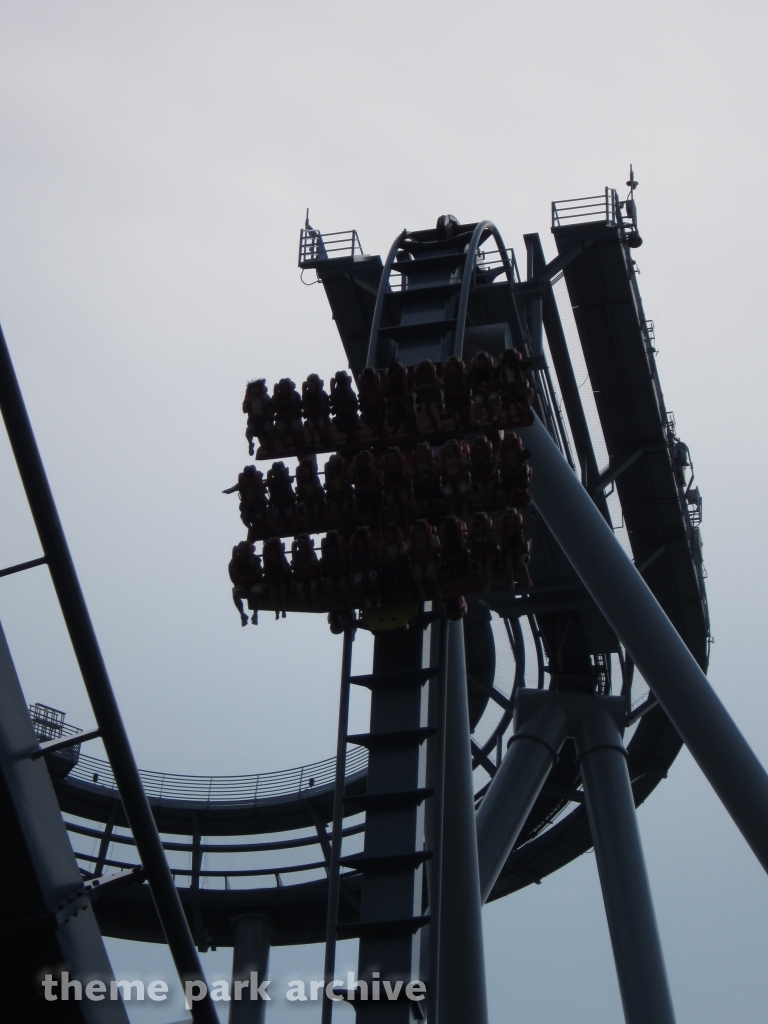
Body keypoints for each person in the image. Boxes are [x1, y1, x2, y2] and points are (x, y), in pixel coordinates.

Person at [223, 465, 268, 536]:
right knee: (244, 517)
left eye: (249, 477)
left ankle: (264, 529)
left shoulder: (257, 483)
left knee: (259, 516)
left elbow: (265, 490)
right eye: (246, 477)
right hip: (247, 507)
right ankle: (251, 528)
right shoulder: (241, 484)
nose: (247, 480)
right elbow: (233, 489)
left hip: (259, 506)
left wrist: (262, 490)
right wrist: (228, 491)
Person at [496, 507, 533, 590]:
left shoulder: (518, 527)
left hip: (521, 549)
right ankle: (511, 580)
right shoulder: (504, 529)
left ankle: (528, 578)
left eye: (511, 520)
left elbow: (526, 525)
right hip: (509, 550)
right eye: (507, 520)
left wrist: (531, 521)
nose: (510, 522)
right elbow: (495, 530)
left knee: (521, 561)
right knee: (508, 562)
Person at [228, 541, 263, 626]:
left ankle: (255, 614)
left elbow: (260, 573)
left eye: (243, 550)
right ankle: (243, 615)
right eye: (239, 550)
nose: (241, 552)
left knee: (256, 593)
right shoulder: (233, 562)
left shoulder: (254, 559)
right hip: (241, 585)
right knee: (235, 595)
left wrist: (255, 565)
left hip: (254, 583)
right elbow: (232, 576)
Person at [409, 519, 442, 598]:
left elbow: (439, 550)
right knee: (417, 574)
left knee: (430, 573)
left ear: (425, 531)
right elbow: (409, 552)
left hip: (430, 559)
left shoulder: (432, 538)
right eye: (417, 531)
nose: (418, 533)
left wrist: (432, 547)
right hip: (418, 561)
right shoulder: (412, 540)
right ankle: (421, 589)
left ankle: (437, 587)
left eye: (421, 531)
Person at [498, 431, 532, 505]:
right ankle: (508, 499)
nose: (507, 443)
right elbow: (498, 460)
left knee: (523, 486)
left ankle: (527, 495)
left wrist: (523, 458)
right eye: (506, 440)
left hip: (519, 472)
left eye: (509, 441)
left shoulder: (520, 449)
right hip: (508, 473)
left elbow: (525, 459)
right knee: (508, 488)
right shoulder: (502, 451)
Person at [262, 536, 292, 619]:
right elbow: (265, 571)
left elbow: (287, 568)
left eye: (273, 551)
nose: (272, 553)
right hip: (272, 581)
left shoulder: (281, 558)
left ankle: (283, 609)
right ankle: (276, 611)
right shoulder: (267, 560)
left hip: (282, 580)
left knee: (283, 588)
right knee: (271, 590)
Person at [440, 438, 471, 516]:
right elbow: (439, 469)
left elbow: (468, 466)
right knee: (447, 494)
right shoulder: (443, 458)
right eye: (446, 448)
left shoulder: (461, 456)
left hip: (461, 479)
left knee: (464, 493)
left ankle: (465, 506)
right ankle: (452, 508)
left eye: (449, 448)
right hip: (449, 481)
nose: (447, 450)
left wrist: (463, 465)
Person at [242, 379, 274, 456]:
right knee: (249, 431)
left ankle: (274, 441)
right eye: (252, 389)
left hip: (265, 419)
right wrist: (245, 403)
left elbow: (272, 407)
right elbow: (244, 411)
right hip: (254, 421)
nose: (254, 391)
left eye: (255, 389)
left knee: (269, 428)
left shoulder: (264, 396)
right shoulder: (249, 399)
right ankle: (250, 443)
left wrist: (267, 401)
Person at [378, 522, 408, 602]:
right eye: (386, 535)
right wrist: (379, 549)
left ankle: (404, 591)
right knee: (384, 577)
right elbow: (379, 556)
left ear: (394, 536)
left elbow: (406, 549)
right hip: (388, 564)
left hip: (399, 563)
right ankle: (386, 594)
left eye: (390, 535)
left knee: (405, 573)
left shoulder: (400, 543)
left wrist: (404, 552)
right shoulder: (383, 545)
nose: (388, 538)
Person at [349, 526, 379, 606]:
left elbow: (377, 559)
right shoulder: (354, 550)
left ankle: (378, 593)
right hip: (359, 570)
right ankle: (366, 596)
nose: (360, 543)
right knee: (357, 581)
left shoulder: (372, 547)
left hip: (371, 568)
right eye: (358, 541)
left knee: (373, 577)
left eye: (362, 540)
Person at [352, 449, 383, 525]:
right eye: (360, 460)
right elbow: (350, 480)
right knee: (360, 505)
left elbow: (381, 473)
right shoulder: (355, 468)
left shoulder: (372, 464)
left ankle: (380, 525)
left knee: (376, 504)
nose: (362, 462)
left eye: (363, 460)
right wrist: (350, 470)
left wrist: (372, 467)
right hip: (361, 493)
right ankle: (365, 526)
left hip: (374, 491)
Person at [384, 360, 416, 435]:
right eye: (393, 370)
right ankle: (396, 425)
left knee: (409, 412)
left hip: (405, 400)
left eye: (397, 369)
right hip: (393, 401)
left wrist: (410, 390)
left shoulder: (406, 377)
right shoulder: (389, 380)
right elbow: (385, 389)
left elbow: (413, 385)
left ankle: (413, 425)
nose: (395, 371)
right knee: (390, 415)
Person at [468, 511, 497, 593]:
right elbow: (470, 545)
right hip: (478, 555)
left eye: (481, 524)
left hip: (489, 554)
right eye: (477, 525)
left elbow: (493, 545)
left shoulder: (489, 533)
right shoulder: (474, 534)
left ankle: (488, 585)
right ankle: (484, 586)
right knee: (480, 565)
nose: (479, 527)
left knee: (488, 564)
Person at [440, 356, 472, 429]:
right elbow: (442, 384)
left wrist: (466, 383)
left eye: (452, 364)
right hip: (451, 395)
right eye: (448, 364)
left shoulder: (463, 373)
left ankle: (467, 422)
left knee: (465, 406)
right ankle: (456, 421)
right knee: (449, 407)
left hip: (462, 394)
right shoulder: (445, 375)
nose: (449, 366)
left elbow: (469, 383)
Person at [470, 350, 499, 427]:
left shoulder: (493, 370)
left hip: (491, 391)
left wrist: (489, 385)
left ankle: (494, 418)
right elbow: (469, 383)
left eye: (481, 364)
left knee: (492, 399)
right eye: (478, 364)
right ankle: (477, 422)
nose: (479, 366)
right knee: (478, 401)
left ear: (486, 363)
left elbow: (499, 380)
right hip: (479, 392)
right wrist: (479, 388)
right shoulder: (473, 371)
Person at [272, 377, 304, 446]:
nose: (282, 388)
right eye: (281, 386)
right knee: (280, 428)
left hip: (294, 416)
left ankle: (300, 442)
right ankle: (283, 443)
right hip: (281, 418)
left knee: (296, 426)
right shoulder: (276, 396)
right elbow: (272, 409)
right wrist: (274, 403)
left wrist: (294, 401)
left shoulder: (295, 394)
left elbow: (300, 406)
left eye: (284, 386)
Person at [291, 533, 320, 609]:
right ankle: (306, 604)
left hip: (312, 576)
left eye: (302, 543)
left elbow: (317, 565)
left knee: (313, 586)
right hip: (301, 577)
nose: (301, 545)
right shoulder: (296, 554)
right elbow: (294, 568)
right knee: (299, 587)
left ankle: (314, 603)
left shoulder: (311, 553)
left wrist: (314, 561)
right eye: (299, 543)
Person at [382, 446, 411, 523]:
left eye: (393, 457)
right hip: (392, 489)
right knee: (389, 500)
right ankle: (395, 519)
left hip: (402, 488)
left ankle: (407, 517)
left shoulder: (402, 467)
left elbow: (408, 480)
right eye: (390, 457)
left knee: (404, 498)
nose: (391, 459)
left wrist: (406, 475)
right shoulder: (386, 468)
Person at [411, 441, 440, 518]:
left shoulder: (432, 462)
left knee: (434, 497)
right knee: (419, 497)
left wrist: (435, 470)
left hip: (431, 485)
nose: (420, 454)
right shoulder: (415, 464)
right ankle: (423, 512)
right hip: (421, 485)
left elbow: (439, 472)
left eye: (422, 452)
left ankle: (437, 511)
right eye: (419, 452)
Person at [412, 358, 442, 431]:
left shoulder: (433, 376)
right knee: (423, 406)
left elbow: (439, 386)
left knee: (432, 405)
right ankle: (421, 427)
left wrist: (429, 386)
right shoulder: (417, 377)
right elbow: (414, 388)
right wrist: (420, 387)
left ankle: (439, 424)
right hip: (423, 399)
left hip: (434, 398)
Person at [469, 434, 499, 506]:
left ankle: (490, 501)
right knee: (480, 487)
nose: (480, 451)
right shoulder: (474, 457)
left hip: (490, 476)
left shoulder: (490, 456)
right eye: (478, 449)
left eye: (481, 449)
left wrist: (493, 471)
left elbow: (497, 462)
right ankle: (486, 501)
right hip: (479, 477)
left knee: (489, 487)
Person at [357, 366, 387, 437]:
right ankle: (374, 428)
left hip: (378, 409)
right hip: (369, 409)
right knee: (364, 417)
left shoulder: (379, 387)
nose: (368, 380)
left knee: (379, 417)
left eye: (369, 377)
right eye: (366, 378)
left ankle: (380, 429)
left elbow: (384, 400)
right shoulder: (363, 390)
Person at [302, 374, 331, 444]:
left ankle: (326, 438)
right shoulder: (306, 395)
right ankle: (312, 440)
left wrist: (325, 404)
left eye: (312, 386)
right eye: (309, 386)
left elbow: (328, 402)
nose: (310, 388)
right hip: (311, 415)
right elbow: (303, 404)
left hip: (322, 415)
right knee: (310, 425)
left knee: (321, 423)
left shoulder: (322, 393)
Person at [320, 529, 349, 601]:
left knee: (342, 583)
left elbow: (345, 562)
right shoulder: (326, 549)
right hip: (330, 573)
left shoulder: (340, 548)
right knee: (328, 584)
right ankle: (332, 600)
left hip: (341, 572)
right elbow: (325, 563)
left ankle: (347, 598)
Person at [330, 370, 359, 439]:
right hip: (341, 414)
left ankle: (351, 432)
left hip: (350, 413)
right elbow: (332, 403)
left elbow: (355, 403)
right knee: (337, 420)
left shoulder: (349, 392)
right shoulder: (336, 393)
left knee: (351, 420)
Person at [295, 455, 325, 520]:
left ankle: (317, 523)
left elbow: (320, 491)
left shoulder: (314, 479)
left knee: (316, 509)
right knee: (305, 511)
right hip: (306, 501)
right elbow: (300, 495)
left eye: (305, 470)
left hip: (316, 500)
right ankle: (310, 524)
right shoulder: (301, 481)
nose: (304, 473)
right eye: (302, 471)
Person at [324, 453, 353, 520]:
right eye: (332, 466)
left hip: (344, 494)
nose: (333, 468)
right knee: (332, 508)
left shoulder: (343, 472)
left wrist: (347, 482)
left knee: (345, 507)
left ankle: (347, 519)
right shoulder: (329, 475)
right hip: (334, 496)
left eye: (335, 465)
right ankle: (338, 521)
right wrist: (326, 486)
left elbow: (350, 482)